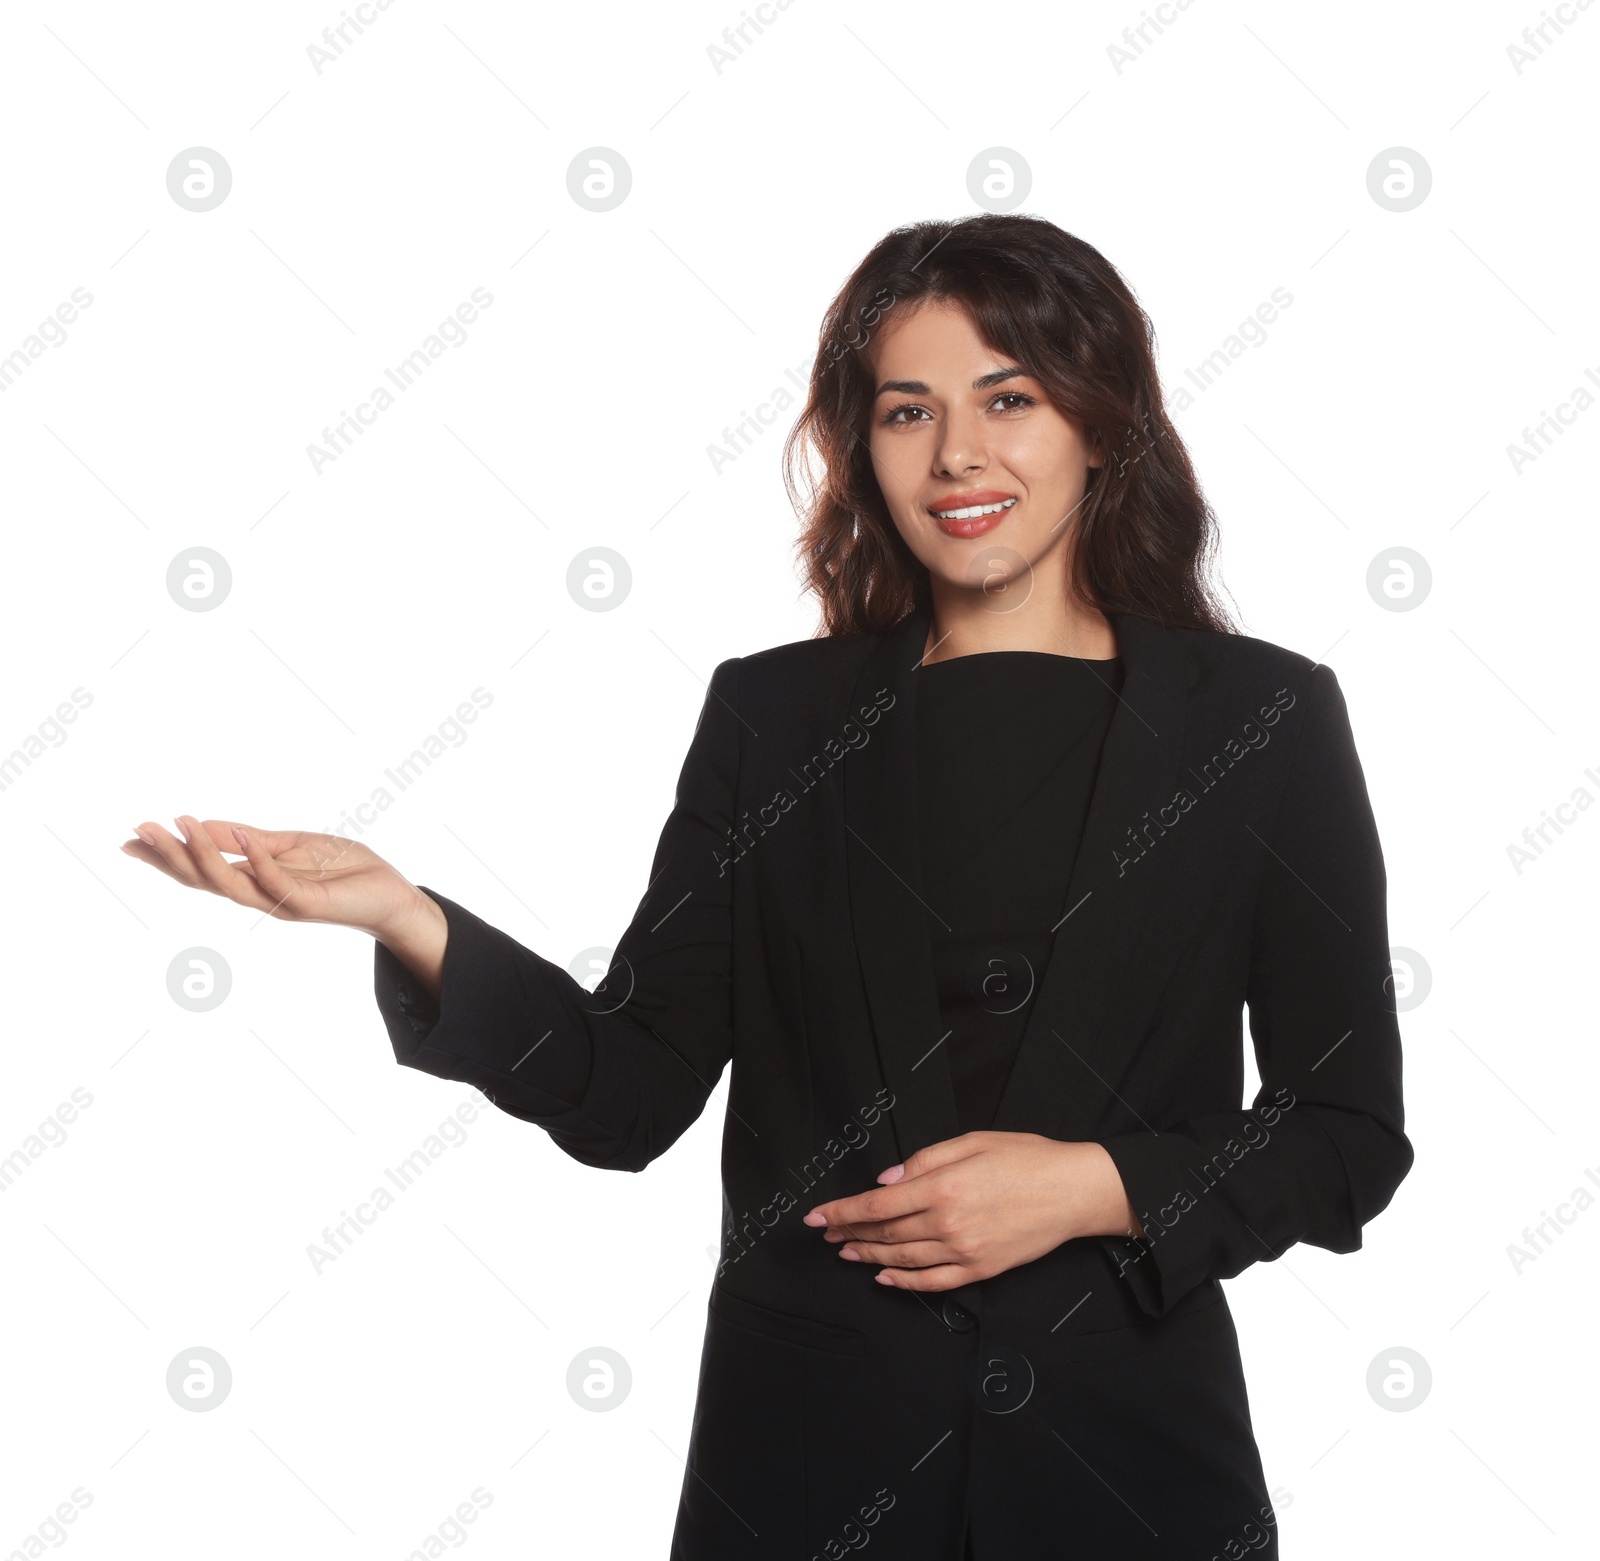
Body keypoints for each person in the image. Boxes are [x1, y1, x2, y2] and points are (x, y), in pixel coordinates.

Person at [121, 213, 1413, 1559]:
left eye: (1008, 399)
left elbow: (1347, 1133)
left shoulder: (1260, 723)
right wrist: (411, 919)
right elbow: (629, 1088)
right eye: (907, 410)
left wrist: (1093, 1186)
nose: (958, 453)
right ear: (865, 444)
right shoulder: (775, 721)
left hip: (1134, 1483)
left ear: (1100, 419)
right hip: (805, 1479)